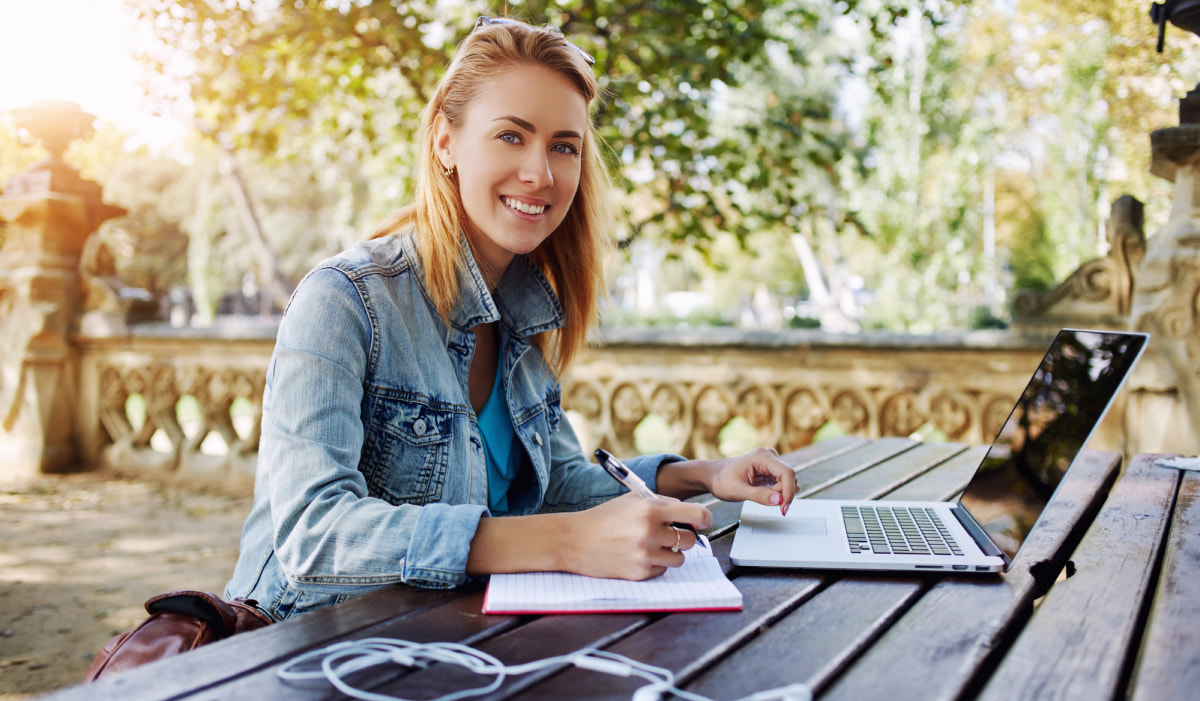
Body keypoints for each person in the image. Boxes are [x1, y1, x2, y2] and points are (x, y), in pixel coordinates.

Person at [224, 16, 797, 622]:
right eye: (510, 136)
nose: (541, 173)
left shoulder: (523, 309)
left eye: (563, 146)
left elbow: (556, 484)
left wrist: (703, 475)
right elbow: (314, 534)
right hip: (306, 651)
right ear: (446, 142)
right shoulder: (343, 301)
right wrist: (565, 544)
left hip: (454, 645)